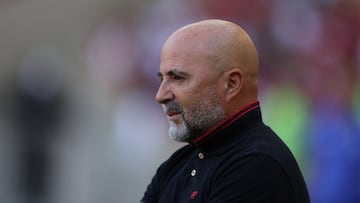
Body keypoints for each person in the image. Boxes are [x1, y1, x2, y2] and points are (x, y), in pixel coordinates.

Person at [141, 19, 310, 203]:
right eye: (162, 79)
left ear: (231, 84)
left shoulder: (256, 165)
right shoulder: (176, 166)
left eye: (179, 78)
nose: (160, 95)